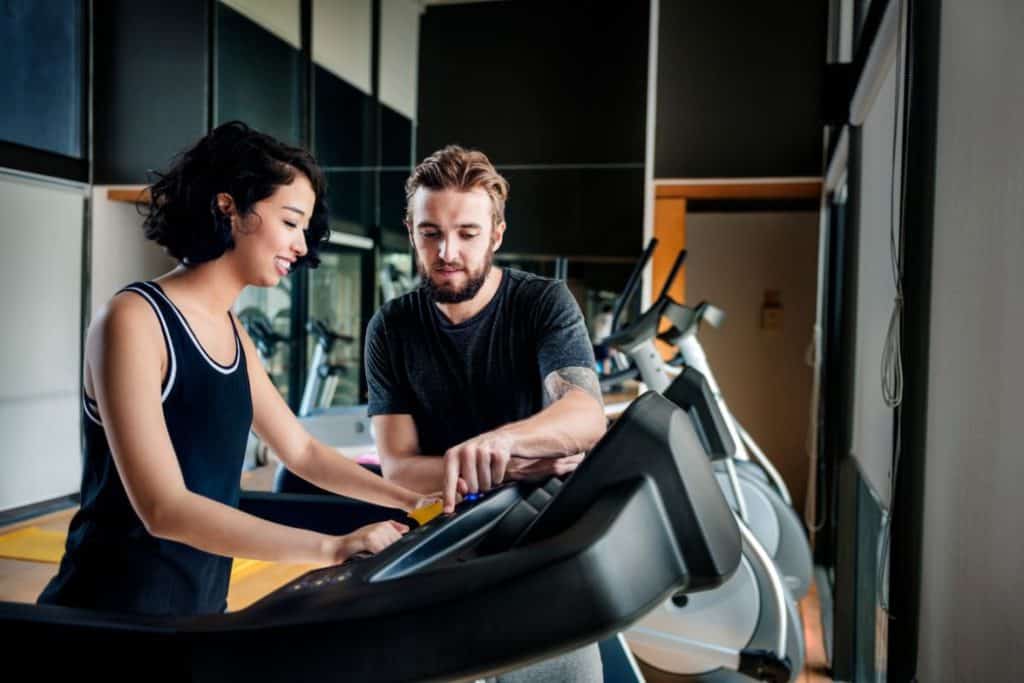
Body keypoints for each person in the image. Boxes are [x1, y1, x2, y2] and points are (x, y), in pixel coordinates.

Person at [38, 122, 430, 618]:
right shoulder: (133, 320)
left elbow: (302, 451)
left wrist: (410, 499)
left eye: (305, 229)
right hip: (109, 616)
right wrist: (332, 548)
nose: (302, 246)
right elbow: (164, 509)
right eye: (290, 223)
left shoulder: (233, 333)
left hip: (197, 613)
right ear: (229, 207)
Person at [365, 145, 607, 681]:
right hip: (445, 548)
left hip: (541, 543)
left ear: (496, 235)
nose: (447, 251)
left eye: (467, 234)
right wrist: (519, 461)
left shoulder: (543, 303)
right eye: (431, 233)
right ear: (411, 231)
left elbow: (585, 416)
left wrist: (497, 444)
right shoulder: (391, 327)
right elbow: (399, 467)